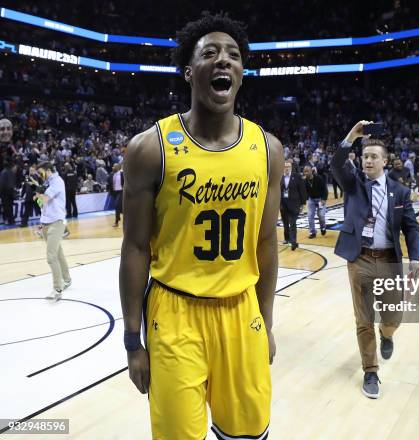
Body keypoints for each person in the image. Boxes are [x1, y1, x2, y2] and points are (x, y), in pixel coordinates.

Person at [118, 12, 282, 440]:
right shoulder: (149, 148)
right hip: (174, 312)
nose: (223, 60)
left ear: (242, 74)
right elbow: (134, 248)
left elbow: (266, 242)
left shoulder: (268, 149)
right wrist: (132, 341)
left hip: (240, 307)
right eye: (210, 53)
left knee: (246, 433)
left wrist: (266, 321)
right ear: (190, 72)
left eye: (233, 55)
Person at [331, 121, 419, 400]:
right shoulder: (354, 183)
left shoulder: (401, 192)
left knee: (393, 315)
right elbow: (337, 164)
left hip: (388, 260)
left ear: (385, 161)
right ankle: (370, 371)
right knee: (363, 319)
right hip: (358, 259)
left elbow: (411, 228)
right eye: (364, 156)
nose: (368, 160)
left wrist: (416, 258)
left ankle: (388, 334)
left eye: (373, 156)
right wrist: (352, 136)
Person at [34, 162, 71, 301]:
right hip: (45, 223)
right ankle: (67, 279)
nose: (39, 175)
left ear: (48, 170)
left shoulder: (57, 181)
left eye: (41, 172)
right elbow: (41, 204)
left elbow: (44, 199)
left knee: (51, 257)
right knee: (58, 253)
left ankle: (57, 289)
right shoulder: (48, 182)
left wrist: (38, 194)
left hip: (56, 222)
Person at [280, 160, 306, 249]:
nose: (286, 168)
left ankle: (293, 242)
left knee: (293, 223)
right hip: (283, 204)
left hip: (294, 204)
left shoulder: (297, 176)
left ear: (291, 167)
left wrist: (303, 203)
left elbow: (302, 190)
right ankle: (287, 238)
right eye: (285, 167)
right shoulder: (279, 177)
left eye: (288, 167)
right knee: (285, 223)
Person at [303, 164, 327, 239]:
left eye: (307, 171)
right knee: (310, 216)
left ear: (311, 171)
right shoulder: (305, 181)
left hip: (320, 199)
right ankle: (312, 232)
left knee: (321, 215)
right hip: (311, 200)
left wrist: (323, 199)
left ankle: (323, 227)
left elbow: (325, 189)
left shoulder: (318, 178)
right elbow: (304, 191)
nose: (306, 173)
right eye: (304, 171)